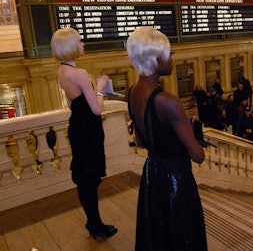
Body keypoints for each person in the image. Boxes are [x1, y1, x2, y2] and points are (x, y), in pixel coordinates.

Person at [126, 27, 207, 250]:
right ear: (156, 59)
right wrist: (191, 135)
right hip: (176, 181)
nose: (172, 58)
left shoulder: (132, 92)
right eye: (169, 53)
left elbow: (142, 141)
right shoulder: (168, 102)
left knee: (159, 236)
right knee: (181, 237)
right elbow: (198, 156)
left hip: (152, 173)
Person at [50, 28, 118, 240]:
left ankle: (93, 222)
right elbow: (97, 110)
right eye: (80, 41)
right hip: (89, 130)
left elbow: (72, 104)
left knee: (84, 178)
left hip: (77, 128)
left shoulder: (61, 72)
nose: (83, 44)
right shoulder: (79, 74)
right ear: (70, 45)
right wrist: (99, 87)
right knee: (89, 178)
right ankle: (96, 226)